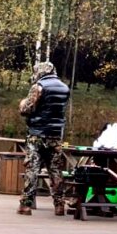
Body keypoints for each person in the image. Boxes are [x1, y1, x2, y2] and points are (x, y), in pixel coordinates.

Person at [18, 62, 70, 216]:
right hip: (55, 135)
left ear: (40, 72)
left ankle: (26, 205)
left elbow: (26, 109)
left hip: (37, 134)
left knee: (32, 168)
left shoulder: (39, 87)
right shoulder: (64, 88)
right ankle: (59, 205)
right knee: (55, 171)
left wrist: (21, 103)